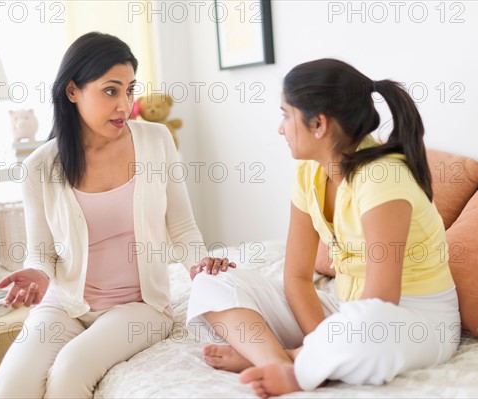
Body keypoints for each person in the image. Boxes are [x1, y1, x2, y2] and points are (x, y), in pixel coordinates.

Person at [186, 58, 460, 397]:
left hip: (412, 319)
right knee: (212, 282)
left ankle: (293, 363)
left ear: (318, 123)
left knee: (367, 326)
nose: (280, 128)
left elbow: (382, 301)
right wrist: (322, 343)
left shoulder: (382, 177)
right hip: (348, 310)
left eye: (286, 114)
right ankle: (280, 363)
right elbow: (296, 278)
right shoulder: (309, 173)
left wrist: (320, 348)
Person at [0, 32, 233, 398]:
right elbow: (41, 251)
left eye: (130, 90)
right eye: (110, 90)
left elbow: (181, 227)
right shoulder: (40, 166)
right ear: (73, 91)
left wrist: (200, 267)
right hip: (65, 304)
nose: (124, 105)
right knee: (10, 388)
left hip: (139, 305)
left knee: (70, 371)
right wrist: (38, 274)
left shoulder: (156, 140)